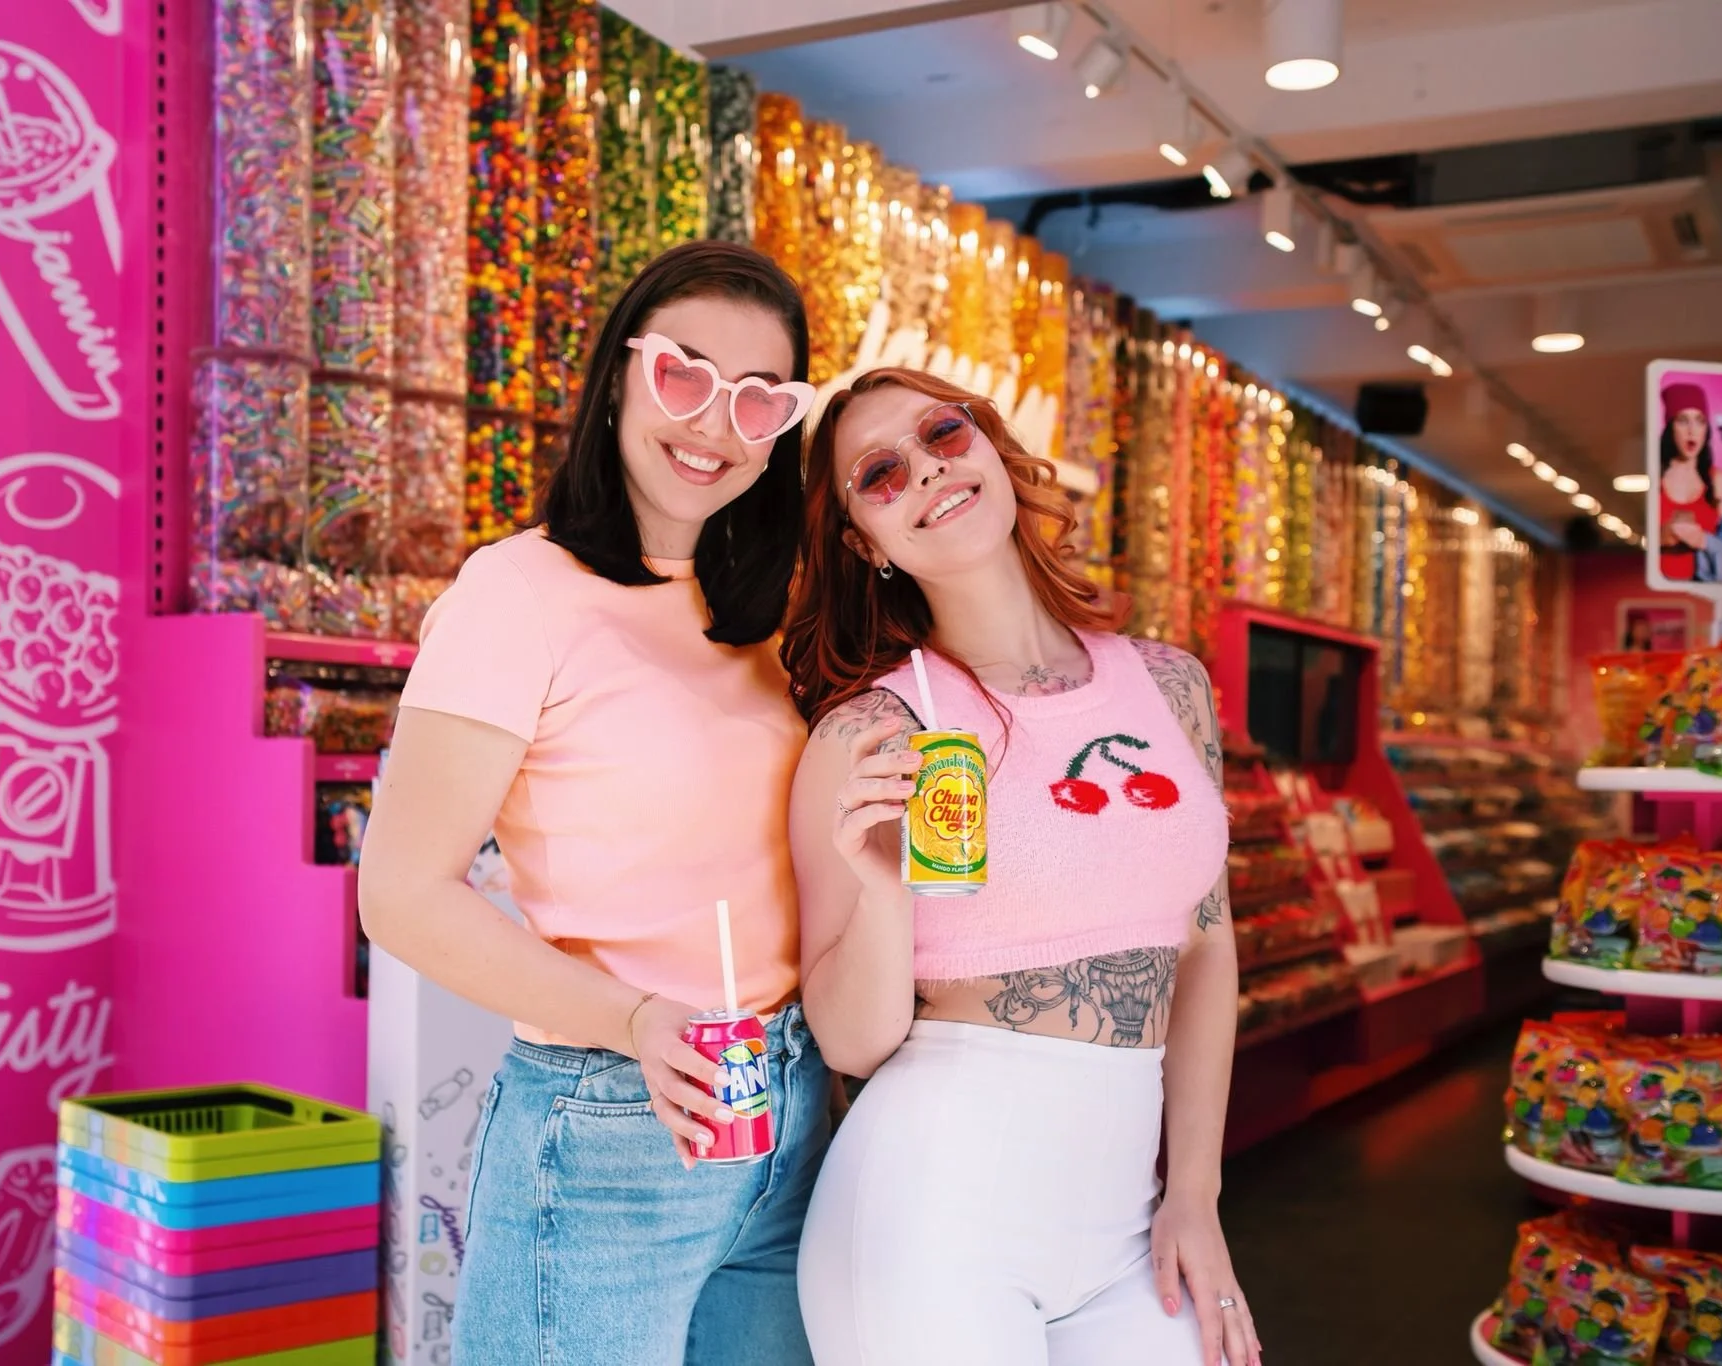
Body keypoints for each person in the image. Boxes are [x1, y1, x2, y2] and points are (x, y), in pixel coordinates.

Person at [358, 241, 830, 1365]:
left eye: (759, 397)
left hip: (785, 1103)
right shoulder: (514, 592)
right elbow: (401, 892)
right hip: (617, 1113)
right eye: (684, 374)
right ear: (619, 374)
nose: (715, 423)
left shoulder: (765, 610)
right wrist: (628, 1022)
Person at [781, 369, 1260, 1366]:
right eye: (880, 472)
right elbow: (850, 1042)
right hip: (930, 1213)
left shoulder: (1168, 683)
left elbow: (1206, 946)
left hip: (1129, 1219)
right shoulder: (870, 730)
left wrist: (1196, 1195)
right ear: (864, 542)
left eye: (942, 433)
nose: (927, 470)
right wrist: (878, 885)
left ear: (992, 450)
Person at [1657, 382, 1722, 583]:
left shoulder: (1717, 480)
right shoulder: (1655, 478)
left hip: (1703, 587)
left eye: (1700, 421)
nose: (1692, 431)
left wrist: (1703, 540)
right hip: (1658, 584)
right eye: (1683, 421)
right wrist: (1660, 537)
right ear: (1670, 426)